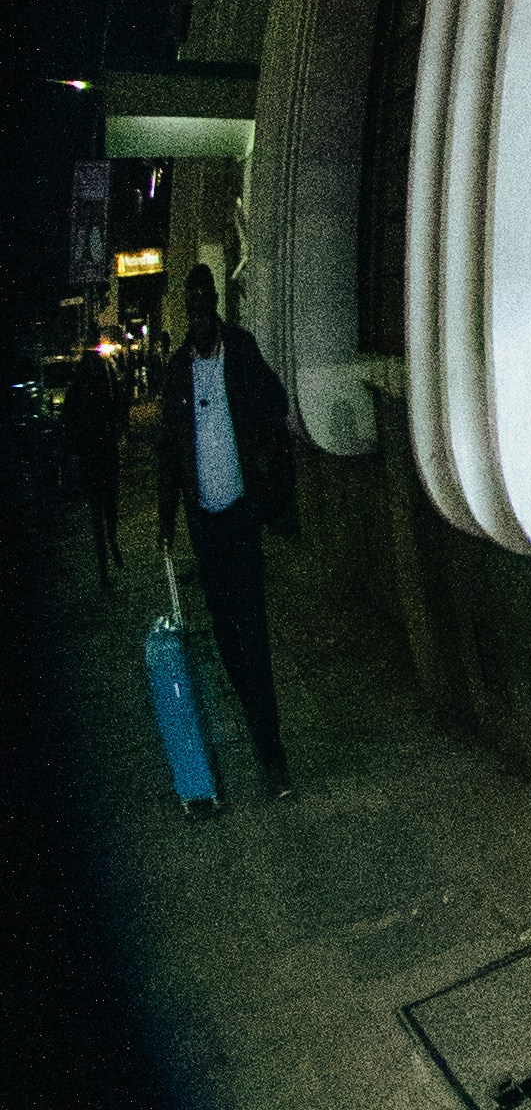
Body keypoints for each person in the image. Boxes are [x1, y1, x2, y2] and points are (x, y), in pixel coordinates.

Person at [151, 259, 300, 798]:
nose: (197, 314)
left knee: (253, 635)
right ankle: (255, 713)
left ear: (214, 304)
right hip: (203, 525)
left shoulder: (240, 350)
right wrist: (166, 521)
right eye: (188, 306)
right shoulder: (175, 372)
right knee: (227, 642)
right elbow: (168, 451)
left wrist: (266, 458)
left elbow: (275, 400)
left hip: (241, 518)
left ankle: (272, 757)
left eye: (203, 303)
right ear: (185, 312)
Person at [61, 336, 130, 595]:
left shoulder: (80, 382)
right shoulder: (104, 374)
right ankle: (111, 545)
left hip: (91, 454)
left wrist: (74, 452)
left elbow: (68, 422)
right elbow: (117, 405)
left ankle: (104, 564)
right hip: (104, 452)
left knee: (97, 513)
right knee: (108, 507)